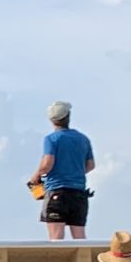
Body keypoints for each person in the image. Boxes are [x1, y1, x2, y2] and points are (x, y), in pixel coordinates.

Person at [30, 100, 95, 240]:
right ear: (68, 117)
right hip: (79, 193)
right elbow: (90, 165)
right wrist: (74, 172)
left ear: (51, 120)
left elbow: (47, 163)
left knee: (56, 236)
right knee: (79, 237)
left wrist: (36, 175)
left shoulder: (51, 139)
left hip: (57, 191)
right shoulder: (83, 139)